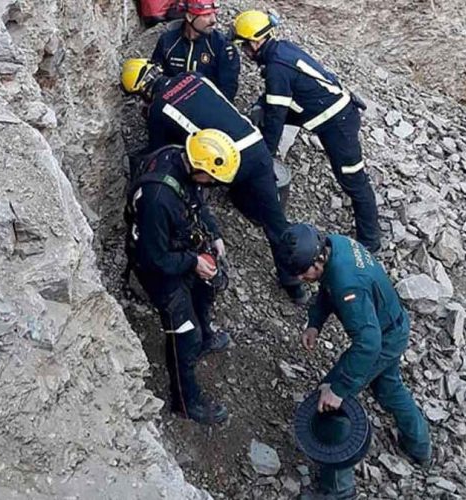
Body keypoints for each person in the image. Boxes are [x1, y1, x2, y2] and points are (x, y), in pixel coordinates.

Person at [121, 58, 309, 304]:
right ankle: (293, 283)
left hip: (223, 162)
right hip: (255, 146)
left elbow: (161, 153)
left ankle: (202, 262)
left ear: (141, 91)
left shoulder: (159, 109)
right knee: (275, 221)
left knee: (190, 200)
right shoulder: (193, 76)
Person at [278, 224, 431, 498]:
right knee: (388, 387)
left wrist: (339, 389)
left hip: (382, 339)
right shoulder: (334, 245)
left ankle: (337, 489)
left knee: (327, 400)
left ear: (318, 258)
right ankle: (419, 446)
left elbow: (368, 345)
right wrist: (315, 322)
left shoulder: (347, 283)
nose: (301, 278)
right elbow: (327, 288)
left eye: (304, 272)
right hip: (391, 324)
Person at [230, 11, 381, 253]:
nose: (245, 53)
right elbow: (277, 95)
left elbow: (276, 117)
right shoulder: (281, 51)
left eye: (244, 46)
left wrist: (266, 157)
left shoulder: (276, 68)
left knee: (353, 179)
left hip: (337, 123)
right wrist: (261, 104)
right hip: (323, 110)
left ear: (256, 42)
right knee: (262, 113)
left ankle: (370, 241)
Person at [126, 128, 241, 425]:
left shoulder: (181, 158)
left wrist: (213, 235)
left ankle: (205, 338)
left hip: (177, 246)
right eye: (212, 179)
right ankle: (185, 401)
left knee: (203, 293)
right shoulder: (158, 199)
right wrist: (192, 262)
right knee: (183, 335)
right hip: (157, 265)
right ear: (200, 168)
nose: (214, 185)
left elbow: (196, 203)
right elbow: (154, 259)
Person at [151, 0, 240, 101]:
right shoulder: (167, 41)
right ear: (189, 17)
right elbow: (156, 79)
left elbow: (228, 91)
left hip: (207, 109)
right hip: (172, 106)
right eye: (206, 15)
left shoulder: (222, 46)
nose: (213, 20)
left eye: (214, 13)